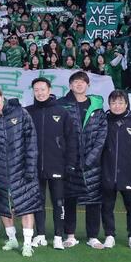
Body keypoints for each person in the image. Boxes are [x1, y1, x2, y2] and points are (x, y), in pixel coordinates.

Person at [0, 87, 41, 257]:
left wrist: (30, 167)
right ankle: (12, 239)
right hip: (0, 171)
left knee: (26, 206)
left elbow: (32, 141)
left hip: (22, 169)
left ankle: (27, 243)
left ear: (2, 97)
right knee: (4, 207)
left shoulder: (20, 113)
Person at [26, 77, 77, 250]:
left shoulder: (61, 112)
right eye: (36, 90)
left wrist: (70, 163)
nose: (39, 93)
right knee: (37, 201)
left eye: (42, 89)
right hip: (34, 167)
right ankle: (40, 235)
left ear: (49, 90)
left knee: (58, 202)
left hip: (57, 166)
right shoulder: (28, 112)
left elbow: (72, 140)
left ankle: (57, 236)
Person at [60, 71, 107, 249]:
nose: (79, 85)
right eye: (75, 82)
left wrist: (91, 158)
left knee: (93, 201)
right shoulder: (62, 106)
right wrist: (69, 158)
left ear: (88, 85)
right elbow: (59, 135)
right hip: (70, 162)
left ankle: (93, 236)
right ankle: (70, 235)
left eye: (82, 82)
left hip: (92, 164)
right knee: (70, 199)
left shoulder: (97, 107)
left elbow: (101, 136)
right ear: (70, 85)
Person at [97, 90, 131, 249]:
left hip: (129, 174)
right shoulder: (103, 122)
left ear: (126, 104)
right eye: (114, 103)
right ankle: (109, 235)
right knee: (107, 206)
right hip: (107, 172)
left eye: (120, 103)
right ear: (109, 105)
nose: (117, 106)